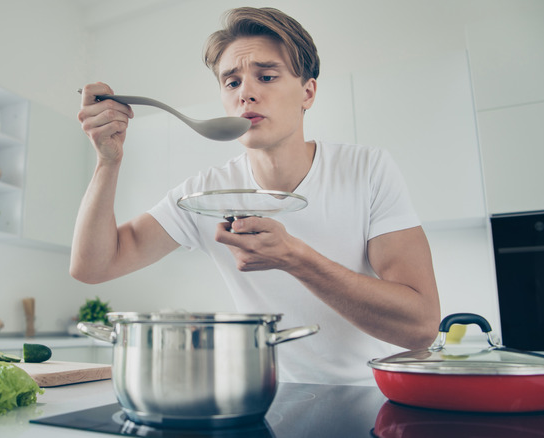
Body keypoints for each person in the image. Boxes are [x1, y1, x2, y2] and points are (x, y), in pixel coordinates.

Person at [72, 6, 440, 385]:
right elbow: (94, 266)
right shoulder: (205, 194)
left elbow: (421, 326)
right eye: (231, 83)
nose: (246, 92)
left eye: (266, 76)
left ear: (307, 92)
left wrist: (294, 258)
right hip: (265, 400)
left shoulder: (367, 170)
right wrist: (107, 162)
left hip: (367, 398)